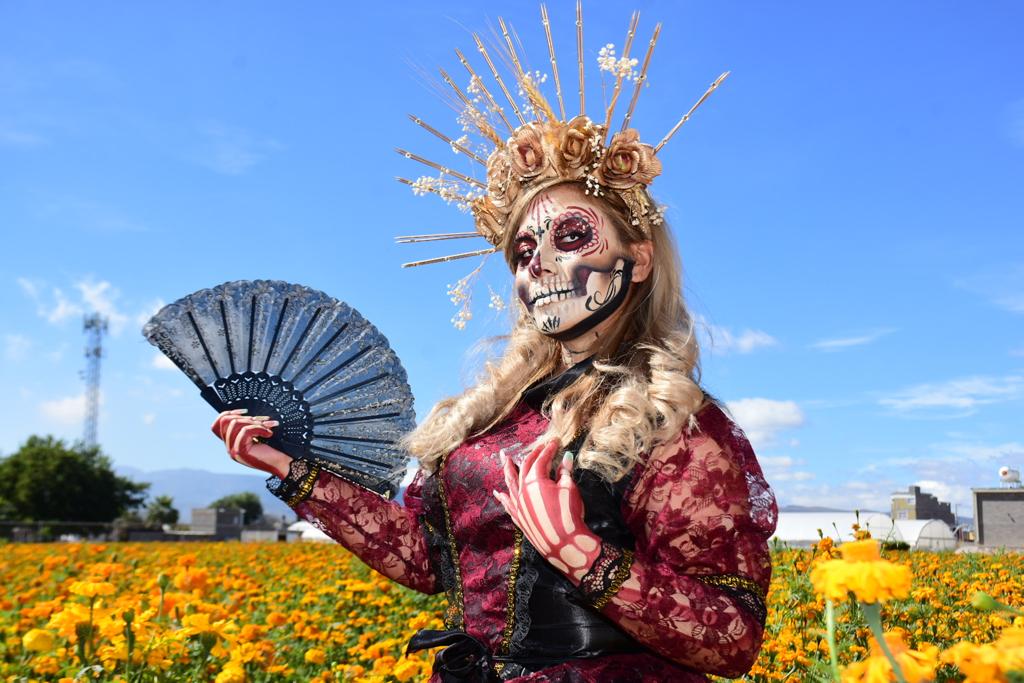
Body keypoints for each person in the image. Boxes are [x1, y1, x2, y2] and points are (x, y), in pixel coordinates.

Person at [212, 9, 776, 682]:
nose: (537, 263)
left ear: (641, 258)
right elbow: (428, 558)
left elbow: (732, 637)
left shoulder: (677, 424)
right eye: (523, 249)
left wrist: (581, 552)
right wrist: (297, 472)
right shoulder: (498, 411)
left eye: (572, 236)